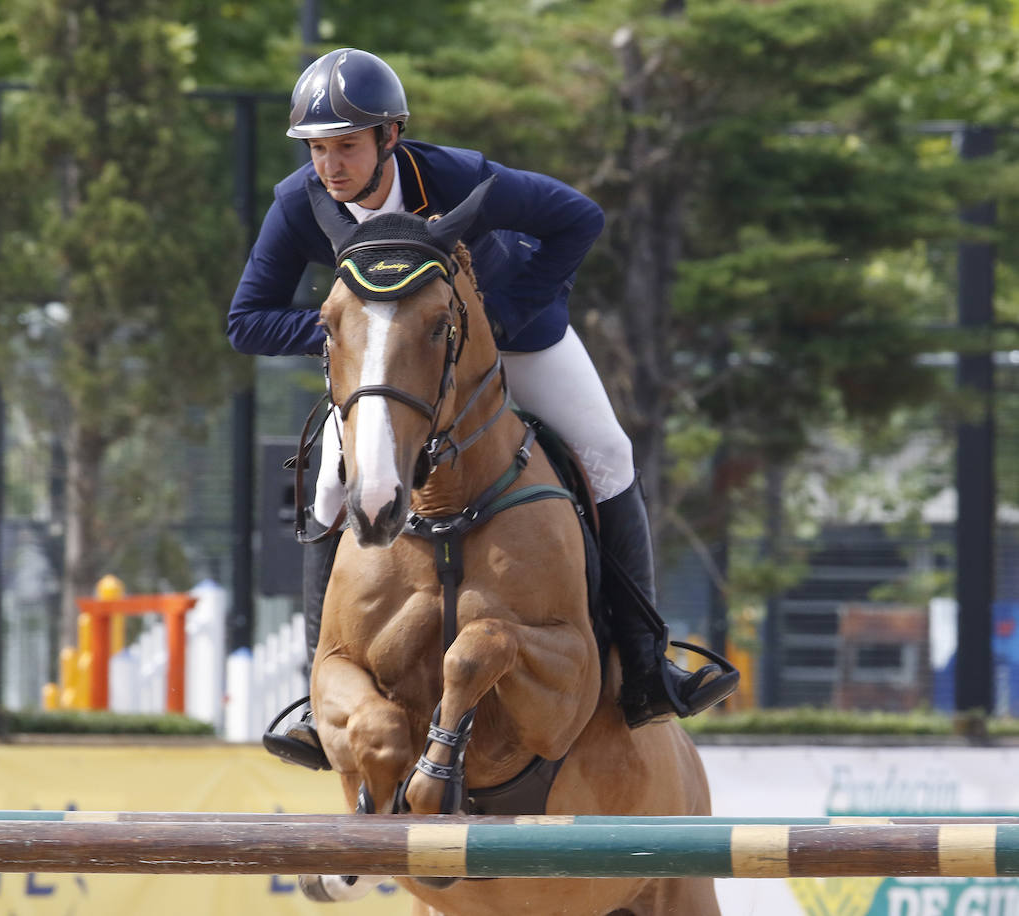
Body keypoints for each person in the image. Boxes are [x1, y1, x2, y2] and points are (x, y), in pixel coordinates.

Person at [227, 48, 737, 768]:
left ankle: (650, 665)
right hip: (395, 372)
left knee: (608, 454)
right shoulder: (297, 204)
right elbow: (246, 320)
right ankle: (321, 699)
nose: (330, 166)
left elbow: (578, 218)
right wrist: (366, 338)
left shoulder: (459, 176)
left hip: (513, 342)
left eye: (345, 145)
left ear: (389, 138)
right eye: (317, 149)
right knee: (333, 484)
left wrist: (502, 314)